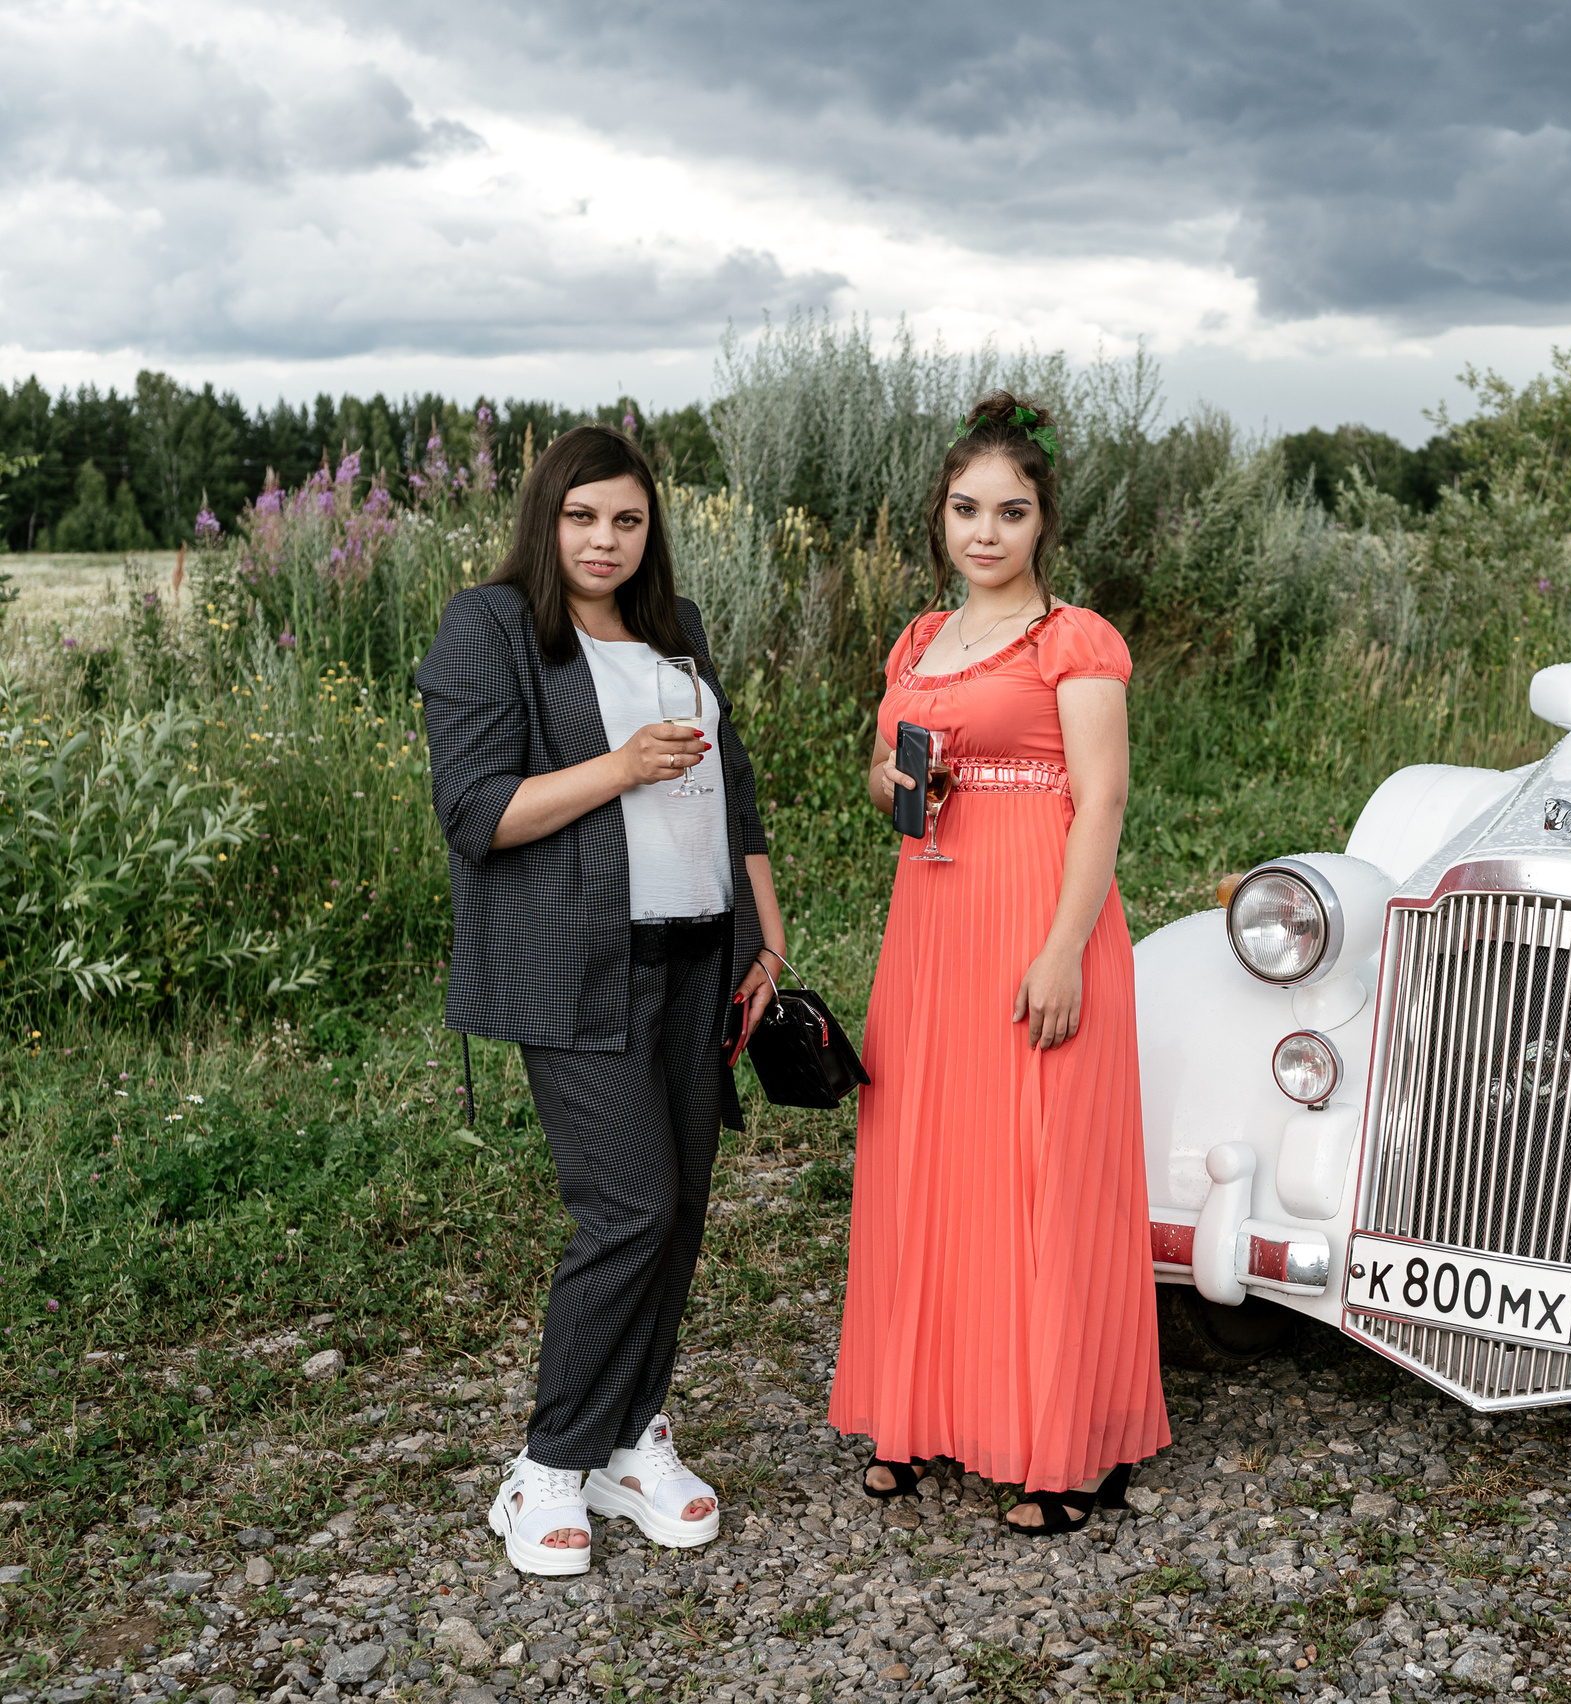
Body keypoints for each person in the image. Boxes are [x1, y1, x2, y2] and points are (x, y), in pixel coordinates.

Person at [418, 425, 788, 1576]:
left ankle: (633, 1439)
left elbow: (734, 789)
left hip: (700, 958)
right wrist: (620, 767)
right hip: (575, 962)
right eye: (583, 517)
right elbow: (476, 814)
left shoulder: (675, 631)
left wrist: (763, 926)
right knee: (628, 1206)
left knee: (678, 1214)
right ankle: (543, 1468)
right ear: (547, 517)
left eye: (627, 520)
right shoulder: (492, 628)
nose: (605, 540)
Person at [828, 392, 1169, 1536]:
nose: (985, 532)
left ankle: (1073, 1446)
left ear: (1042, 522)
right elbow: (881, 773)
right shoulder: (920, 641)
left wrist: (1065, 948)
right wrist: (894, 785)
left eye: (1010, 512)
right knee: (928, 1159)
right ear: (940, 517)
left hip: (1039, 916)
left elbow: (1103, 796)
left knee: (1039, 1172)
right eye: (966, 509)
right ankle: (923, 1415)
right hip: (929, 919)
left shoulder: (1074, 639)